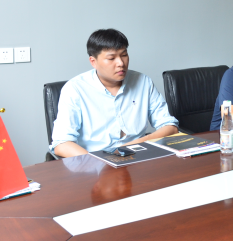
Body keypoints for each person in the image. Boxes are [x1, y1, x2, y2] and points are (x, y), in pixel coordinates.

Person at [51, 29, 178, 158]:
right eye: (111, 58)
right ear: (93, 61)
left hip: (138, 156)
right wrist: (100, 161)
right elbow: (62, 144)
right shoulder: (75, 89)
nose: (121, 63)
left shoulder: (143, 82)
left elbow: (170, 127)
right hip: (94, 162)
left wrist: (133, 145)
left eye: (124, 55)